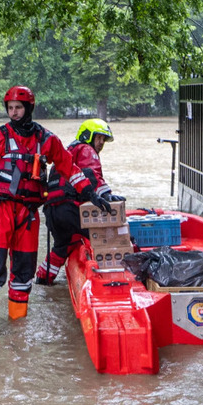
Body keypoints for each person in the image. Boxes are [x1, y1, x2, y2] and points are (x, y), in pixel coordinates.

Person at [0, 86, 108, 323]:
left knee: (23, 278)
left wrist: (91, 193)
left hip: (27, 215)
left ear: (29, 109)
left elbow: (70, 168)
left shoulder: (47, 140)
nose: (14, 113)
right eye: (10, 108)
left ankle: (17, 332)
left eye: (19, 108)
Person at [36, 118, 126, 285]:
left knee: (62, 246)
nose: (101, 143)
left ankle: (42, 279)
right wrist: (106, 195)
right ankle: (116, 277)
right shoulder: (86, 149)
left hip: (52, 212)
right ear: (88, 136)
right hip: (69, 208)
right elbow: (92, 174)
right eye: (98, 138)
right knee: (107, 236)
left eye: (103, 140)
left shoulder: (68, 152)